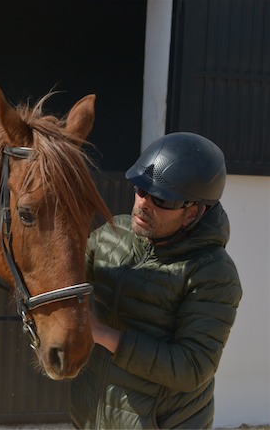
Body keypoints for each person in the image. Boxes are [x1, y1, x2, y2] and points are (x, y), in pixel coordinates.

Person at [69, 132, 242, 429]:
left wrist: (102, 334)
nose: (143, 203)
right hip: (91, 416)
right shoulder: (111, 235)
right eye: (140, 189)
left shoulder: (214, 274)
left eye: (161, 199)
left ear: (193, 213)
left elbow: (192, 366)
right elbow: (63, 287)